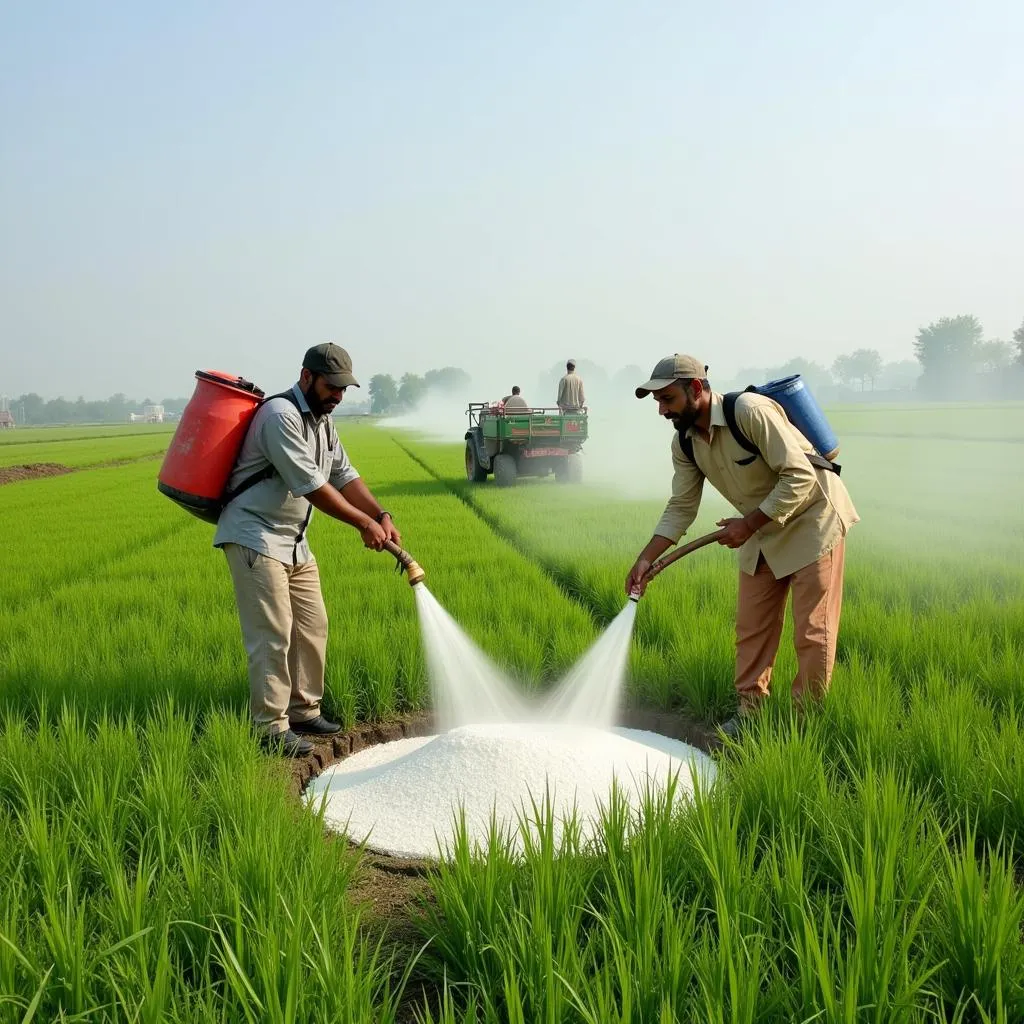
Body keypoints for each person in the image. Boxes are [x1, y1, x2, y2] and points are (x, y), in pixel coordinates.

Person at [625, 354, 859, 738]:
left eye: (667, 399)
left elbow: (800, 476)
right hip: (761, 529)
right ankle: (750, 715)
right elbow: (682, 505)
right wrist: (646, 558)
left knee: (813, 633)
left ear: (696, 388)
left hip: (812, 520)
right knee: (751, 628)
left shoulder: (749, 412)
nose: (662, 410)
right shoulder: (685, 442)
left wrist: (748, 524)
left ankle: (806, 725)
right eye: (658, 402)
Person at [214, 343, 401, 757]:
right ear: (306, 377)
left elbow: (343, 473)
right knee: (272, 633)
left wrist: (381, 513)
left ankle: (303, 710)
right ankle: (269, 727)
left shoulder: (322, 420)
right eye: (332, 386)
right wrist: (364, 524)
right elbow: (312, 486)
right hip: (255, 537)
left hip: (294, 542)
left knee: (313, 626)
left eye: (343, 389)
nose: (338, 395)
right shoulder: (280, 416)